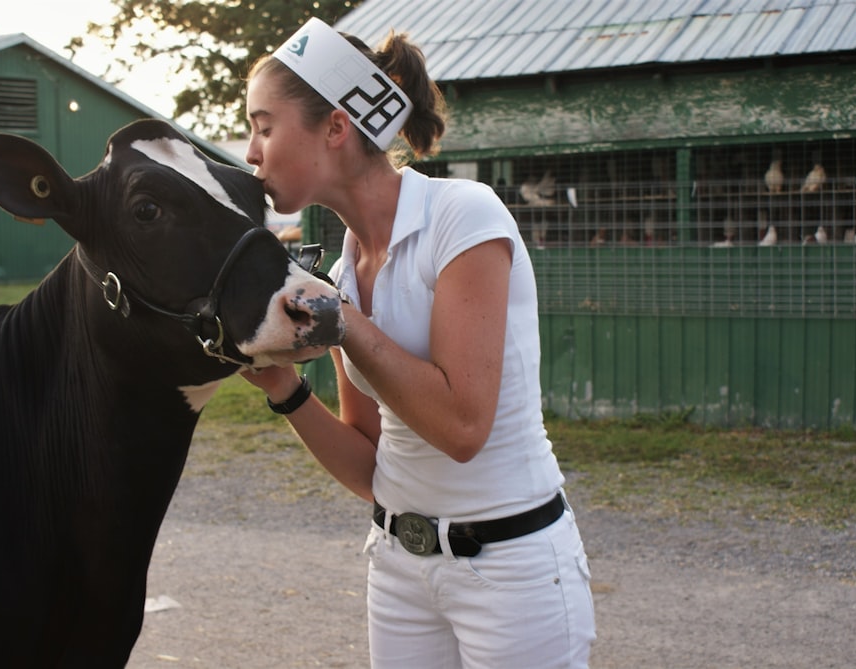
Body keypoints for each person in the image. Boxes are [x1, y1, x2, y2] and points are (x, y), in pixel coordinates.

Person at [241, 17, 595, 668]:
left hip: (510, 570)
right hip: (399, 568)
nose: (250, 151)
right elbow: (372, 466)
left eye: (264, 126)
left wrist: (345, 321)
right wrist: (286, 391)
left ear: (336, 128)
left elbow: (463, 427)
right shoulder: (344, 270)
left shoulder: (464, 215)